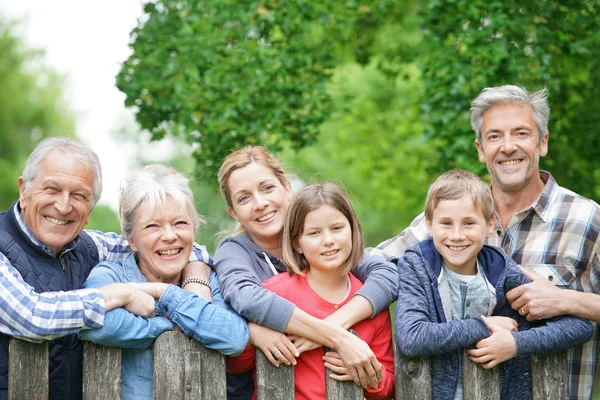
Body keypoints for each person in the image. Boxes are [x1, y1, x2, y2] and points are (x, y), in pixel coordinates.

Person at [374, 85, 600, 400]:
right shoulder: (453, 217)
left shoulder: (586, 219)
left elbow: (578, 325)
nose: (508, 147)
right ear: (481, 149)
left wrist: (569, 302)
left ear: (543, 142)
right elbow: (369, 266)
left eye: (521, 133)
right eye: (494, 136)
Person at [0, 137, 212, 400]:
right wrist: (121, 294)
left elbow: (165, 244)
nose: (64, 206)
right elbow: (33, 316)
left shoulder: (88, 247)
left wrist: (196, 278)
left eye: (79, 195)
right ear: (24, 190)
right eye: (52, 189)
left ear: (89, 209)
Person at [214, 146, 399, 399]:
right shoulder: (236, 253)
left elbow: (386, 276)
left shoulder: (329, 247)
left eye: (267, 188)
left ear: (287, 187)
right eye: (244, 198)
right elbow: (245, 298)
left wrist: (332, 328)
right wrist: (253, 332)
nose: (260, 203)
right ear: (233, 212)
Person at [396, 169, 592, 399]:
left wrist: (515, 343)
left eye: (469, 223)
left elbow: (579, 327)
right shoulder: (417, 266)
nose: (457, 235)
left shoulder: (500, 269)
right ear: (429, 225)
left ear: (489, 225)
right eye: (446, 223)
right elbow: (412, 337)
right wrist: (484, 325)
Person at [79, 164, 249, 399]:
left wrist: (164, 293)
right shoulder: (110, 275)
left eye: (180, 223)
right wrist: (166, 326)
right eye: (152, 226)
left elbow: (234, 337)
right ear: (132, 240)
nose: (169, 236)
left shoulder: (209, 279)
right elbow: (95, 324)